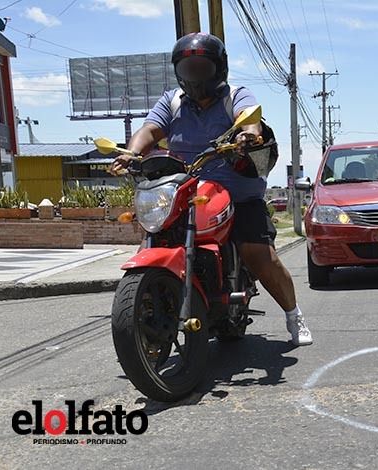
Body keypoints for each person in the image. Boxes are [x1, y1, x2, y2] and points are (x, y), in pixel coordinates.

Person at [110, 32, 312, 346]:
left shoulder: (236, 96)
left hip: (237, 195)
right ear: (179, 72)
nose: (195, 77)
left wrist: (248, 134)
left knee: (257, 253)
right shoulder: (173, 102)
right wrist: (130, 153)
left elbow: (250, 120)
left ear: (218, 69)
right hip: (184, 192)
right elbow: (149, 129)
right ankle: (148, 314)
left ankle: (293, 314)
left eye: (202, 68)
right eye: (189, 70)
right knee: (151, 243)